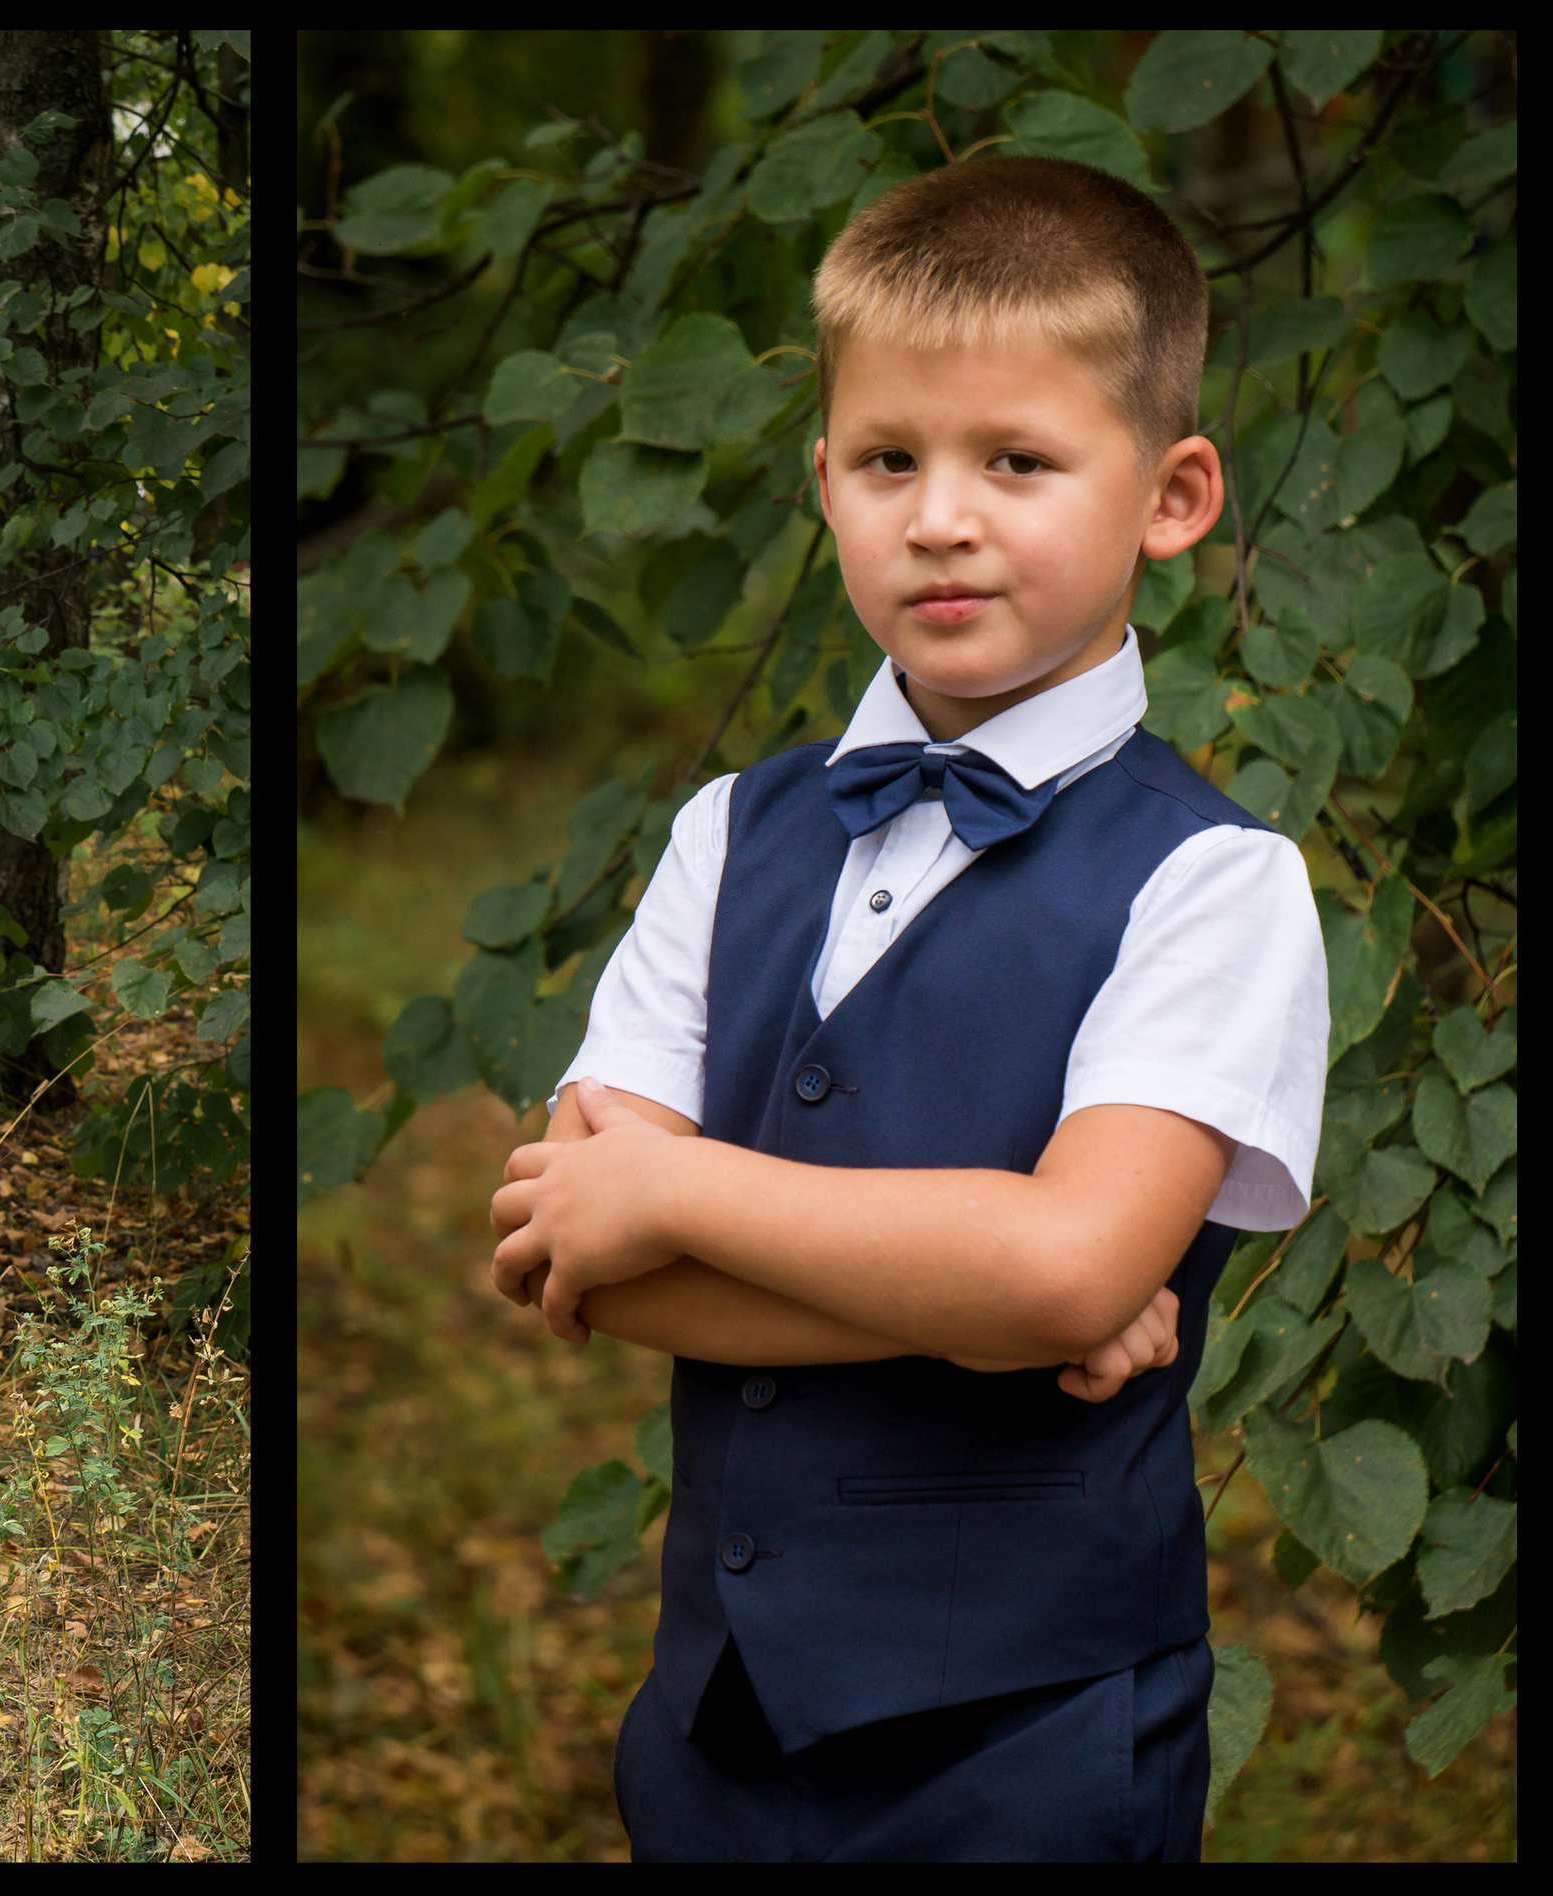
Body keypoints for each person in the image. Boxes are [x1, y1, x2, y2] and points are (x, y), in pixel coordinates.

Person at [487, 156, 1328, 1860]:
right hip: (712, 1738)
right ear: (825, 482)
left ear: (1171, 496)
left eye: (1017, 460)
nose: (940, 516)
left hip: (1034, 1749)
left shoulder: (1217, 884)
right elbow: (584, 1260)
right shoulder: (729, 831)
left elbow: (1069, 1270)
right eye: (888, 460)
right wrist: (993, 1298)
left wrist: (677, 1186)